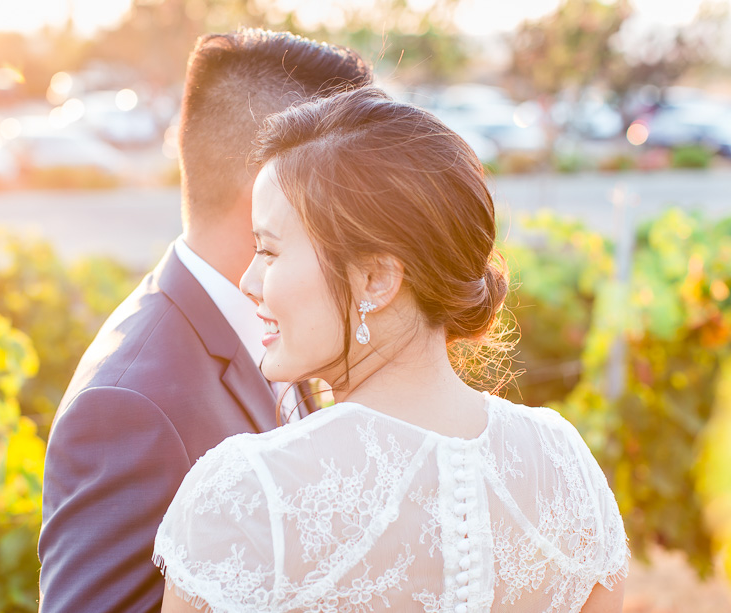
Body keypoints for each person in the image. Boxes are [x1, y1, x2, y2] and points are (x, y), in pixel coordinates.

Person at [153, 87, 630, 612]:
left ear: (377, 278)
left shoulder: (247, 494)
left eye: (269, 250)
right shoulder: (562, 465)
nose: (248, 280)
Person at [38, 29, 371, 612]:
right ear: (268, 195)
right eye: (354, 185)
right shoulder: (129, 407)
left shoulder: (282, 324)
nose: (369, 216)